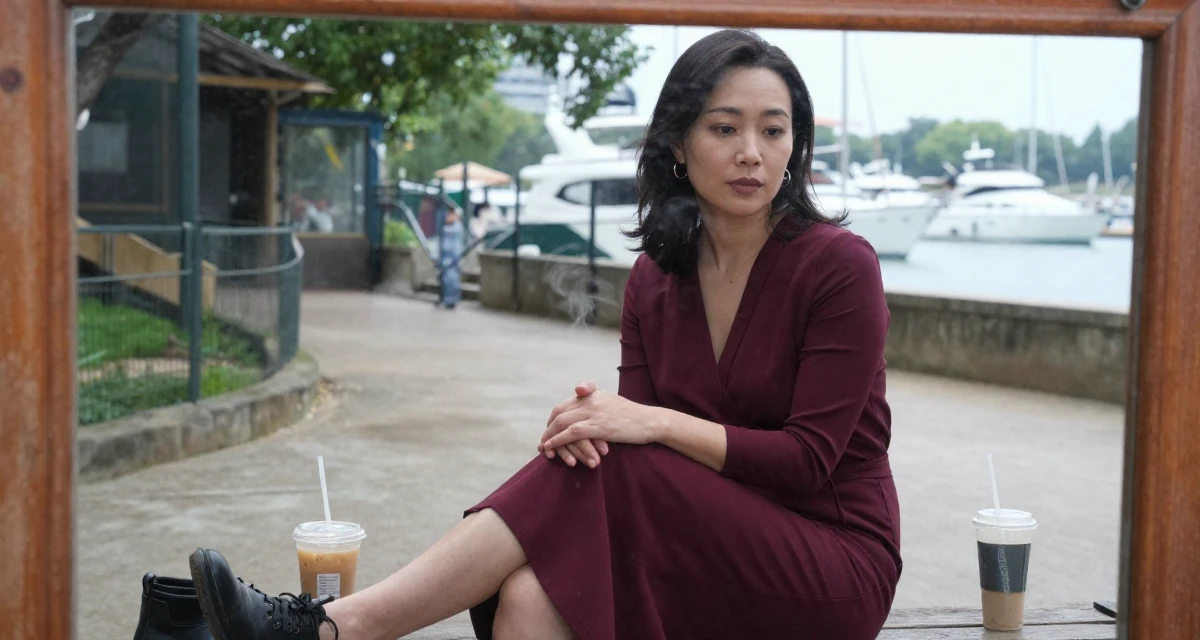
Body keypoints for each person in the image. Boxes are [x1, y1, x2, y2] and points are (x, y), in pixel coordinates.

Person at [187, 28, 901, 640]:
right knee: (531, 594)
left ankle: (339, 626)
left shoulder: (838, 268)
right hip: (697, 542)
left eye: (773, 130)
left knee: (623, 463)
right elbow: (636, 451)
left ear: (794, 147)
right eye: (724, 127)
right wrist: (599, 429)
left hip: (829, 561)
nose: (752, 151)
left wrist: (645, 425)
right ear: (678, 146)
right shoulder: (655, 280)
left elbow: (807, 462)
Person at [438, 205, 465, 309]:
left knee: (451, 279)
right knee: (446, 279)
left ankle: (451, 300)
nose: (448, 216)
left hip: (452, 259)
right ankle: (447, 299)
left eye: (451, 214)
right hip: (446, 258)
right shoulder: (448, 227)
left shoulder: (455, 228)